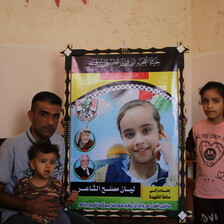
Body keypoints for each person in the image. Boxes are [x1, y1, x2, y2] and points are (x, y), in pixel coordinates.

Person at [0, 91, 94, 224]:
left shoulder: (59, 142)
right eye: (44, 114)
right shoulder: (11, 146)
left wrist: (66, 200)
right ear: (31, 115)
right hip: (17, 213)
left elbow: (55, 185)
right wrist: (28, 205)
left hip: (54, 212)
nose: (50, 122)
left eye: (55, 116)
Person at [94, 99, 178, 186]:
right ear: (122, 138)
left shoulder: (172, 176)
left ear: (160, 132)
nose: (139, 141)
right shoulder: (104, 175)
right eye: (129, 134)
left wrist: (172, 163)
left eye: (146, 130)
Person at [186, 81, 224, 224]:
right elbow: (186, 154)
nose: (209, 105)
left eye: (216, 100)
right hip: (203, 194)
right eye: (205, 101)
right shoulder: (197, 128)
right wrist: (178, 128)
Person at [16, 141, 78, 224]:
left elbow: (63, 205)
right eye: (43, 161)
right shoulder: (23, 184)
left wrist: (71, 200)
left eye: (52, 162)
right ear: (33, 164)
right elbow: (20, 207)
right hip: (35, 219)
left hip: (57, 218)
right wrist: (30, 216)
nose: (48, 166)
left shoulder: (57, 184)